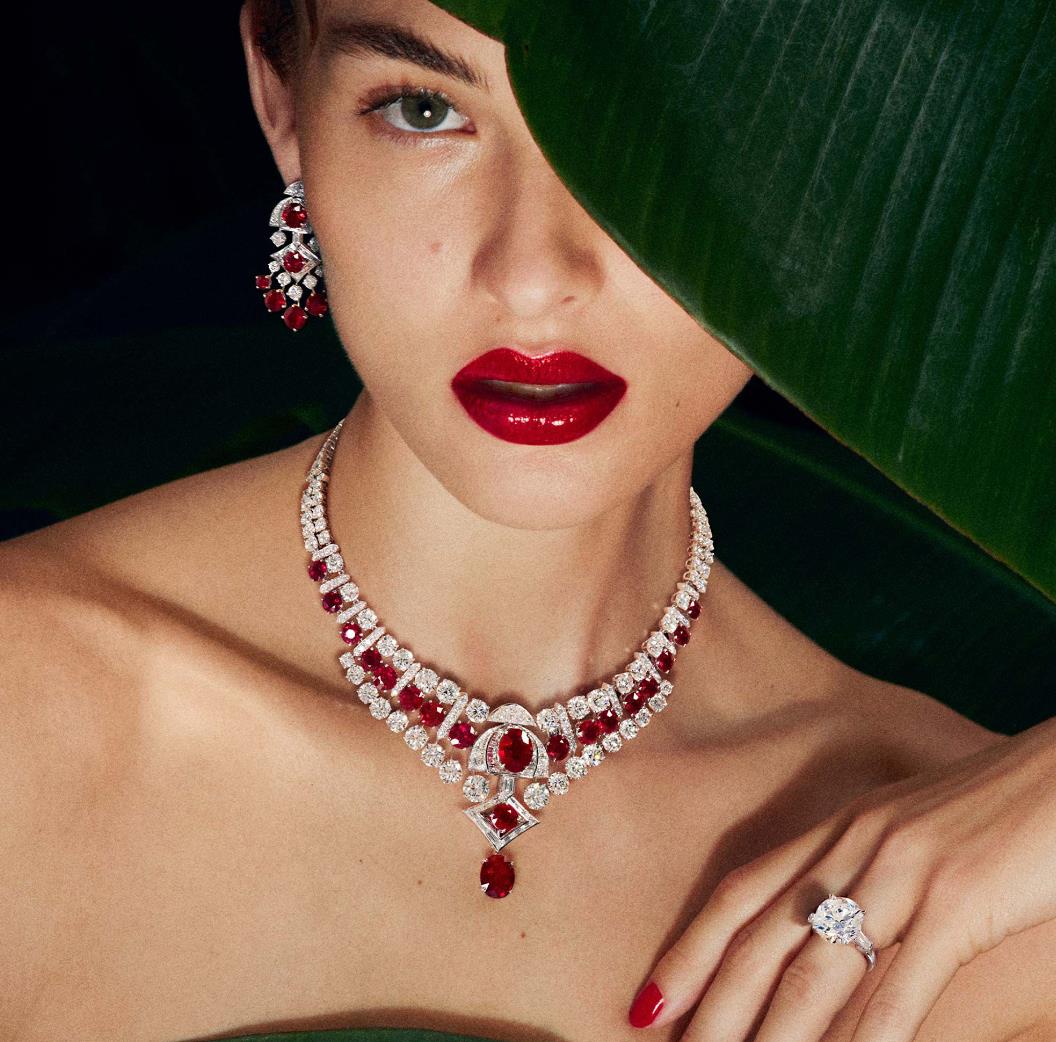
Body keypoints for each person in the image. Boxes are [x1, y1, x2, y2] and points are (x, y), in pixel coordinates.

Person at [1, 2, 1053, 1041]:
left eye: (654, 129)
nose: (534, 276)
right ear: (283, 103)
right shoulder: (31, 717)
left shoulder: (967, 892)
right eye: (422, 109)